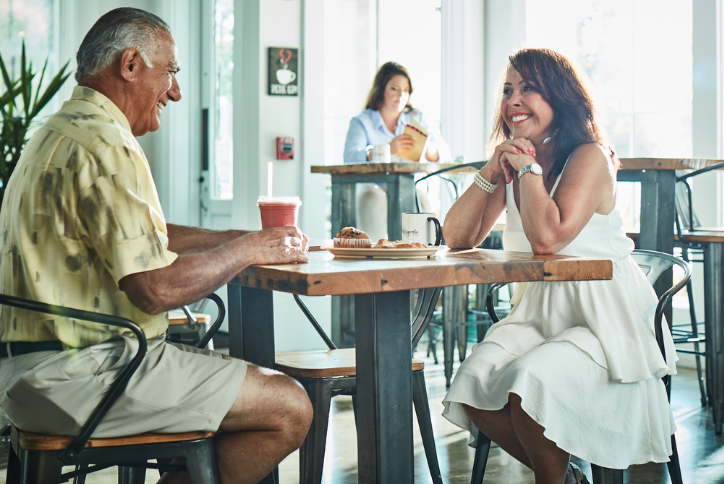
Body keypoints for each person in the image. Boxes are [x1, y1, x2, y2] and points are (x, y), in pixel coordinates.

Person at [0, 8, 312, 484]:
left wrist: (237, 239)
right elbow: (155, 290)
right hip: (86, 377)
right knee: (289, 405)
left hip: (26, 375)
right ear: (129, 65)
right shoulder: (108, 143)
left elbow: (139, 236)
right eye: (170, 72)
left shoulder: (57, 132)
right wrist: (248, 250)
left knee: (238, 386)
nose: (177, 91)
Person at [441, 48, 677, 484]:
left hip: (604, 319)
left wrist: (527, 168)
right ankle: (567, 478)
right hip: (537, 312)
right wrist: (492, 167)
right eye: (509, 89)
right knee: (473, 382)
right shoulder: (515, 160)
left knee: (531, 382)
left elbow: (548, 239)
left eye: (529, 88)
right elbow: (457, 237)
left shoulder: (589, 156)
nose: (513, 99)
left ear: (561, 96)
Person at [343, 62, 452, 239]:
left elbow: (445, 153)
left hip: (407, 186)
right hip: (372, 187)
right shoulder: (362, 121)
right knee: (373, 199)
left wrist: (428, 150)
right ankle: (374, 257)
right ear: (381, 89)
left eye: (406, 90)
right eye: (394, 88)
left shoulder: (416, 118)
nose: (401, 95)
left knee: (421, 199)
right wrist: (386, 150)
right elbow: (349, 157)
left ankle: (419, 256)